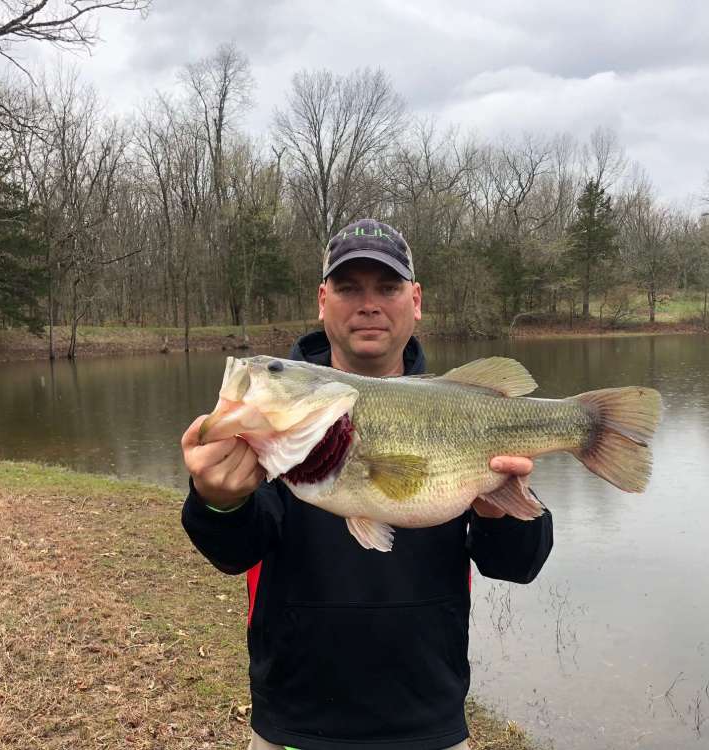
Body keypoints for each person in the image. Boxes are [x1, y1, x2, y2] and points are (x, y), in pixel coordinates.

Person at [181, 218, 554, 750]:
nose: (369, 303)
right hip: (295, 720)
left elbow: (518, 564)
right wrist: (218, 501)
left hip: (429, 720)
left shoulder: (464, 409)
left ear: (416, 299)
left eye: (387, 287)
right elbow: (234, 552)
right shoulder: (281, 419)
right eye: (349, 287)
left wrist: (499, 510)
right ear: (322, 299)